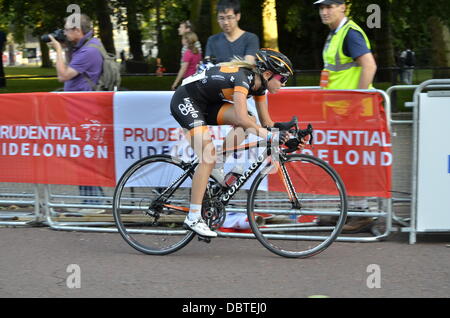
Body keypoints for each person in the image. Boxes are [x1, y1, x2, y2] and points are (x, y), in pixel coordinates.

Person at [170, 48, 303, 237]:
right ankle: (193, 217)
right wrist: (268, 136)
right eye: (282, 79)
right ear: (267, 74)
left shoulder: (260, 86)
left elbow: (266, 123)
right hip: (186, 100)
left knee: (250, 121)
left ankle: (218, 166)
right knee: (208, 155)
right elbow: (240, 118)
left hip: (205, 104)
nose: (283, 84)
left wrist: (288, 135)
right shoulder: (243, 79)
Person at [314, 0, 377, 233]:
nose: (324, 11)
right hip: (340, 112)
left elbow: (369, 67)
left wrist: (356, 103)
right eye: (321, 8)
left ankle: (362, 214)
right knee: (343, 162)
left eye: (329, 6)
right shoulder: (336, 34)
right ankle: (348, 210)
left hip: (352, 113)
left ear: (344, 7)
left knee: (354, 162)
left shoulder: (350, 33)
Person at [48, 13, 105, 212]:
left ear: (77, 31)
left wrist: (57, 50)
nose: (63, 33)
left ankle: (93, 204)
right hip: (81, 110)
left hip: (84, 112)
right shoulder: (87, 46)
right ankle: (93, 200)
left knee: (84, 157)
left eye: (66, 29)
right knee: (84, 155)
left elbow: (62, 75)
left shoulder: (88, 51)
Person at [205, 0, 260, 64]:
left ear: (238, 16)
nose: (226, 22)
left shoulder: (250, 38)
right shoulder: (212, 40)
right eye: (221, 18)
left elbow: (249, 63)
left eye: (229, 17)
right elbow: (207, 65)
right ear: (217, 19)